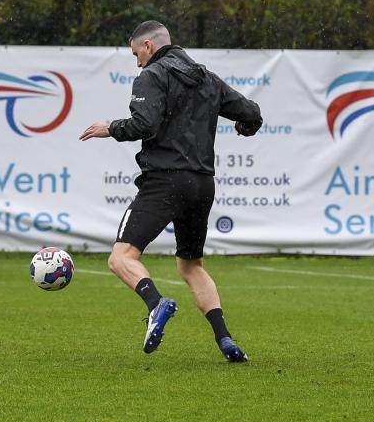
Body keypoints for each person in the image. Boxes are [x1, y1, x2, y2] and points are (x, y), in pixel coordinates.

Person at [80, 21, 262, 362]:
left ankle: (155, 304)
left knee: (121, 258)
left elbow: (144, 124)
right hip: (202, 183)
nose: (136, 63)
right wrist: (245, 127)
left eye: (136, 54)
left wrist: (110, 128)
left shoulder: (152, 75)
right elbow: (251, 113)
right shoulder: (207, 78)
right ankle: (225, 339)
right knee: (191, 265)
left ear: (148, 46)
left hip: (166, 179)